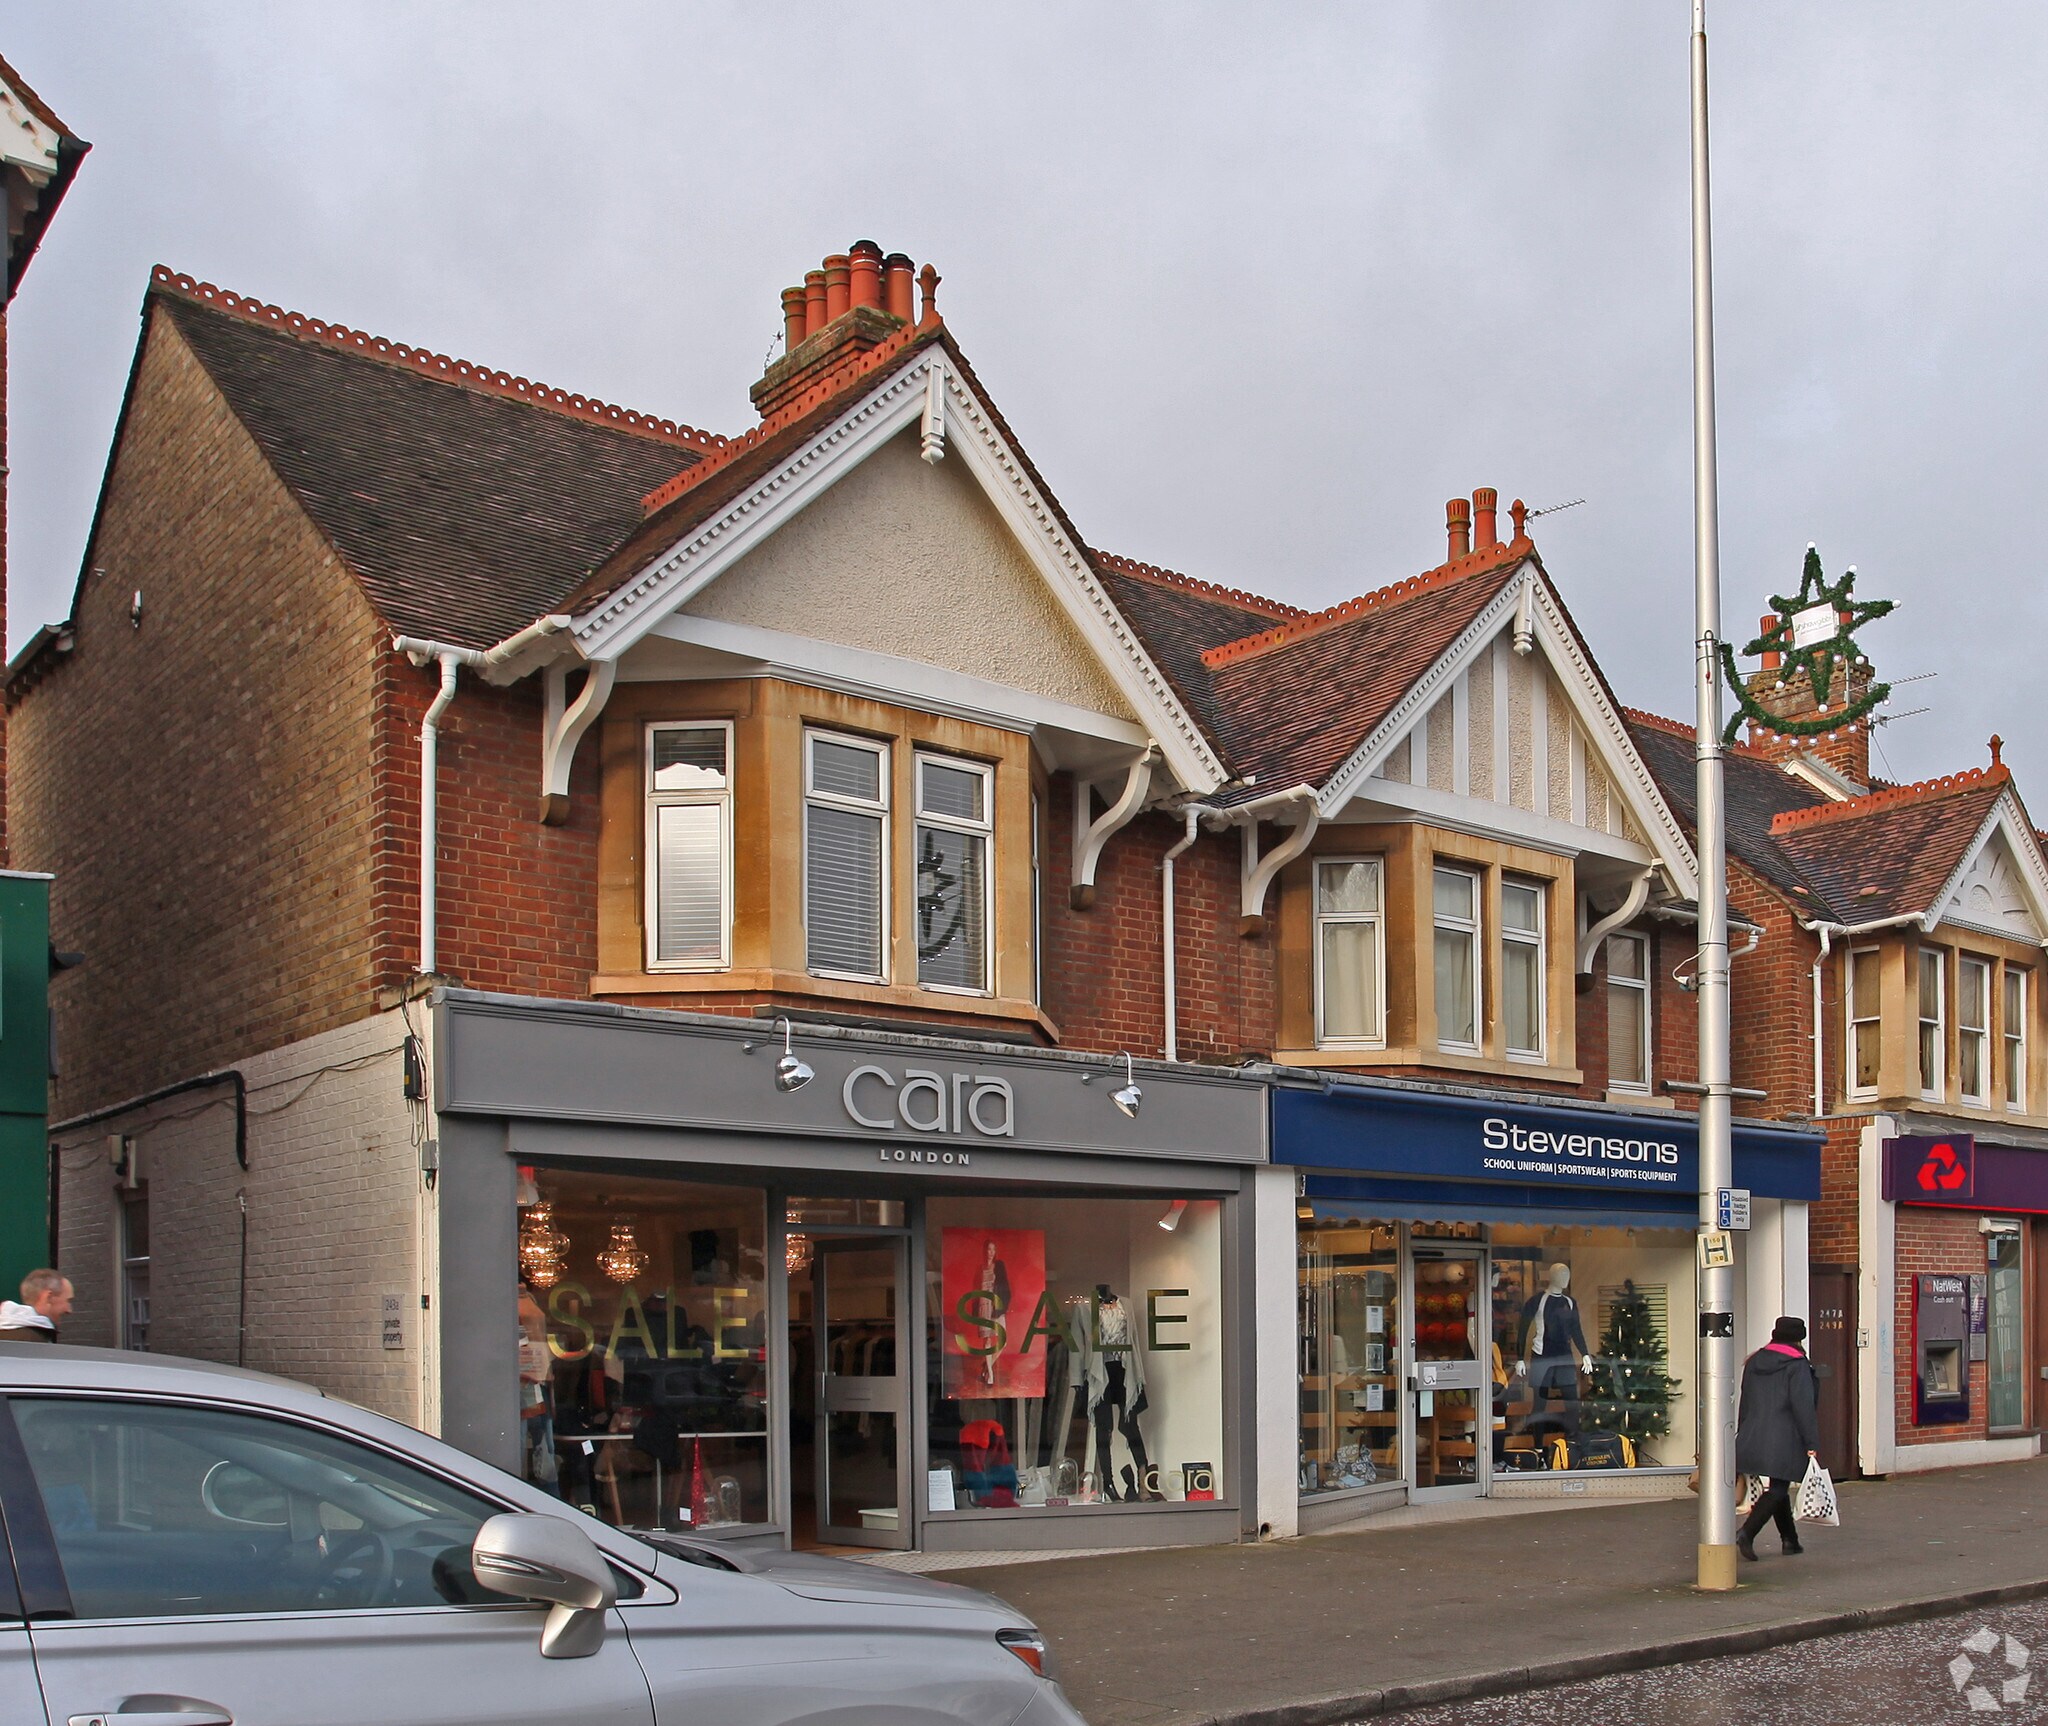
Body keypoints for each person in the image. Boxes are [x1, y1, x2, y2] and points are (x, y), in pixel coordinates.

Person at [1734, 1314, 1821, 1561]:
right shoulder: (1797, 1364)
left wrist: (1743, 1432)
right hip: (1784, 1436)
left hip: (1753, 1432)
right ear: (1799, 1339)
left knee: (1778, 1487)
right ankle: (1747, 1533)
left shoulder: (1754, 1361)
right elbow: (1803, 1406)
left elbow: (1745, 1400)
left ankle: (1790, 1541)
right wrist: (1812, 1442)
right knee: (1779, 1487)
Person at [0, 1269, 73, 1342]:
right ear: (49, 1297)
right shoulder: (33, 1342)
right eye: (68, 1300)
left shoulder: (9, 1333)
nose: (69, 1310)